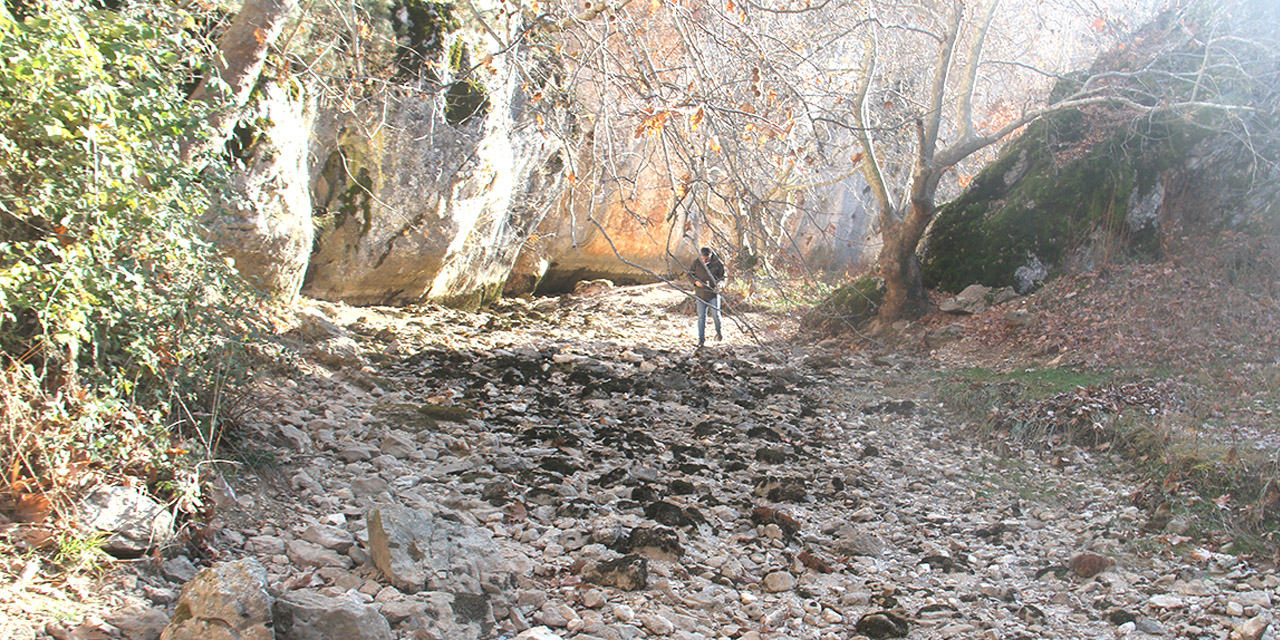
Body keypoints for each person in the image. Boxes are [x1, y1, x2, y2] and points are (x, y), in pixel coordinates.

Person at [689, 247, 725, 348]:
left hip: (713, 293)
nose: (705, 261)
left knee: (716, 315)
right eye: (703, 258)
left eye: (707, 259)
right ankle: (701, 339)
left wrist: (720, 284)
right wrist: (695, 282)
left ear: (711, 256)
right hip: (700, 294)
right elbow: (690, 274)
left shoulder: (718, 263)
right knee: (701, 317)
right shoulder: (696, 262)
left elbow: (723, 278)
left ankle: (718, 332)